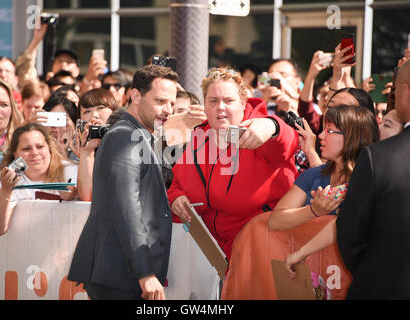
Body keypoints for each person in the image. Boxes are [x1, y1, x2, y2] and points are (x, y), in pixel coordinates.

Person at [68, 64, 178, 300]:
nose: (168, 110)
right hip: (120, 275)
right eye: (160, 101)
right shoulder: (125, 137)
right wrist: (144, 273)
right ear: (135, 95)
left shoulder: (138, 135)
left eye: (172, 103)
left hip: (121, 273)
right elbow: (126, 208)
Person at [167, 67, 299, 262]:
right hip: (212, 254)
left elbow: (287, 141)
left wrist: (272, 126)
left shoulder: (256, 130)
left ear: (243, 102)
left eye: (229, 101)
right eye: (213, 101)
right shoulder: (200, 136)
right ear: (204, 104)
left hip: (262, 253)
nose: (220, 107)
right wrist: (176, 198)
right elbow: (177, 182)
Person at [267, 105, 379, 279]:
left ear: (351, 137)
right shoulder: (314, 175)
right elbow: (275, 220)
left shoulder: (369, 181)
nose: (320, 136)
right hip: (308, 278)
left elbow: (345, 225)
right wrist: (313, 211)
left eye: (330, 131)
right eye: (323, 129)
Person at [336, 59, 410, 299]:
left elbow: (349, 233)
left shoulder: (378, 158)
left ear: (405, 92)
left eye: (396, 88)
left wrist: (375, 270)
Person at [0, 123, 78, 238]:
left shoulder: (68, 169)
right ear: (16, 154)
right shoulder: (5, 181)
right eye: (26, 149)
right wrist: (5, 190)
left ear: (49, 149)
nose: (34, 153)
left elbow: (70, 193)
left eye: (40, 146)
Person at [76, 88, 119, 201]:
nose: (94, 115)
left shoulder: (127, 142)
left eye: (100, 108)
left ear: (114, 111)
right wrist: (85, 152)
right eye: (87, 111)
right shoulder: (78, 149)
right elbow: (87, 196)